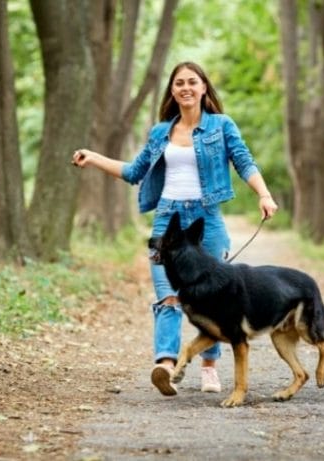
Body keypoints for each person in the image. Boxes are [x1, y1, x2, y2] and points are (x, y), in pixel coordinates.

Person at [71, 61, 278, 397]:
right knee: (168, 295)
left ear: (204, 88)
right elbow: (133, 172)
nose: (185, 87)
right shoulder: (160, 133)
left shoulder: (221, 126)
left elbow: (244, 161)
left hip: (206, 221)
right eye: (178, 82)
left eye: (192, 82)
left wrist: (264, 195)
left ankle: (209, 368)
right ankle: (166, 365)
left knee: (214, 299)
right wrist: (93, 157)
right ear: (172, 90)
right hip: (167, 221)